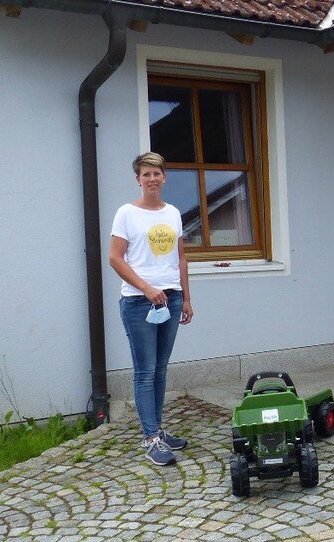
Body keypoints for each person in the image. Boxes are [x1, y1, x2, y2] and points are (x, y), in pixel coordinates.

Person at [109, 152, 194, 466]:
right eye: (146, 174)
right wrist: (146, 288)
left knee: (160, 369)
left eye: (157, 174)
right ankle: (151, 438)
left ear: (164, 177)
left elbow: (181, 258)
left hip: (170, 299)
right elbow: (115, 258)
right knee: (145, 372)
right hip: (139, 301)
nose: (152, 179)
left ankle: (159, 428)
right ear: (138, 180)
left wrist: (185, 297)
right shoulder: (126, 214)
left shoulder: (172, 213)